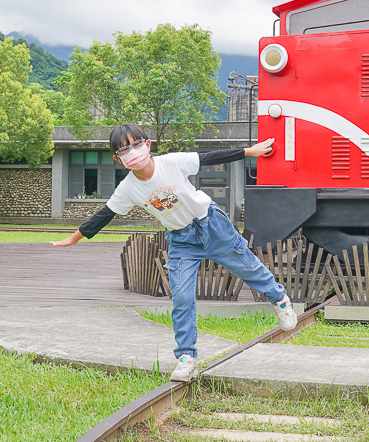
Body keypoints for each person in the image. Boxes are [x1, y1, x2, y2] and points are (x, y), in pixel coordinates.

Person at [51, 123, 296, 382]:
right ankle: (186, 358)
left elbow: (209, 157)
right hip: (181, 240)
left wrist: (249, 151)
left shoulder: (172, 162)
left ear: (147, 144)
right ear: (118, 158)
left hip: (210, 224)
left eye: (136, 144)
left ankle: (280, 300)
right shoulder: (128, 188)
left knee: (249, 268)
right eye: (124, 149)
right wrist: (75, 238)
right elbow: (106, 214)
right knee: (181, 297)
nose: (132, 151)